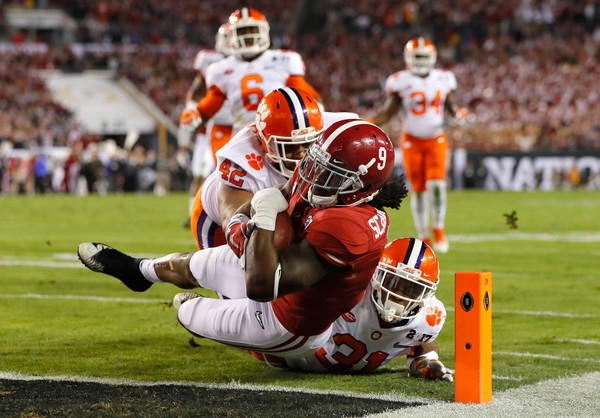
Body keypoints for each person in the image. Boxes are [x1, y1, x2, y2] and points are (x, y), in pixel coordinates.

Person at [77, 119, 408, 359]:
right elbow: (283, 190)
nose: (313, 175)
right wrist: (240, 218)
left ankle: (216, 316)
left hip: (285, 319)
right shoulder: (328, 185)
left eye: (328, 174)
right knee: (189, 265)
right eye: (316, 164)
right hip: (270, 263)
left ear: (359, 186)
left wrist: (261, 219)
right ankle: (139, 271)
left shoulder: (350, 228)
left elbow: (262, 286)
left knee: (187, 312)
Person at [190, 86, 358, 252]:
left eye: (307, 144)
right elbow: (235, 226)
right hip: (215, 222)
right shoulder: (241, 162)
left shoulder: (334, 130)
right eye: (290, 147)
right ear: (265, 142)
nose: (301, 154)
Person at [259, 237, 453, 380]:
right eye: (393, 282)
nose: (399, 294)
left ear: (426, 294)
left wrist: (427, 361)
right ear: (377, 275)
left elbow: (420, 341)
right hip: (283, 352)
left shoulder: (430, 318)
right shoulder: (352, 286)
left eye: (412, 289)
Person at [371, 37, 468, 253]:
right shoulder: (400, 80)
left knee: (438, 186)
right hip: (412, 141)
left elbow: (451, 106)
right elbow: (388, 112)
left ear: (433, 58)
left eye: (424, 56)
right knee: (420, 191)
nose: (421, 61)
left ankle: (439, 228)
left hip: (436, 139)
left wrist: (458, 113)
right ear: (408, 58)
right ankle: (424, 234)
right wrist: (369, 122)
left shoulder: (443, 78)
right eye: (418, 56)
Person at [179, 7, 322, 137]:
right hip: (244, 135)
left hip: (281, 132)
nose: (247, 36)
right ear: (231, 35)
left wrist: (317, 108)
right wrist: (195, 115)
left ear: (264, 31)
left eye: (251, 30)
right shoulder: (220, 69)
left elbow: (306, 94)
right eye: (242, 31)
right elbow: (209, 106)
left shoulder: (283, 60)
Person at [179, 23, 234, 227]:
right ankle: (194, 214)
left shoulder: (253, 63)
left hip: (241, 126)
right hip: (215, 126)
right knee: (204, 173)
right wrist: (192, 114)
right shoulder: (211, 62)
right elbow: (194, 94)